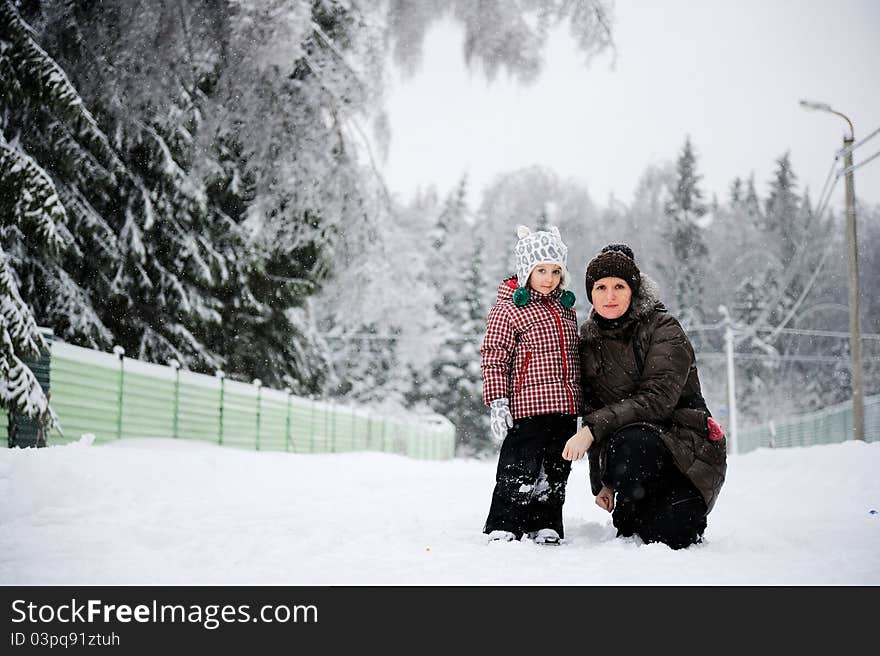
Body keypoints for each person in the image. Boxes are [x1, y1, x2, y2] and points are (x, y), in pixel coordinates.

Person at [562, 244, 727, 549]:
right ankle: (635, 509)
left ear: (633, 290)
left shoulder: (663, 328)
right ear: (590, 294)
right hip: (633, 460)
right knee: (634, 530)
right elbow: (594, 407)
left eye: (619, 286)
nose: (609, 296)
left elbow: (657, 399)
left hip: (686, 454)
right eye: (601, 287)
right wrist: (603, 482)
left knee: (676, 534)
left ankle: (669, 508)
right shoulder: (590, 341)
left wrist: (592, 430)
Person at [481, 225, 583, 545]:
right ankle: (505, 521)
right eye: (541, 270)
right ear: (527, 270)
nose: (549, 278)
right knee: (519, 467)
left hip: (564, 406)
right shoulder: (510, 309)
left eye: (555, 271)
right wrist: (498, 401)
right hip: (528, 405)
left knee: (555, 469)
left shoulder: (567, 309)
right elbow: (495, 356)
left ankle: (546, 521)